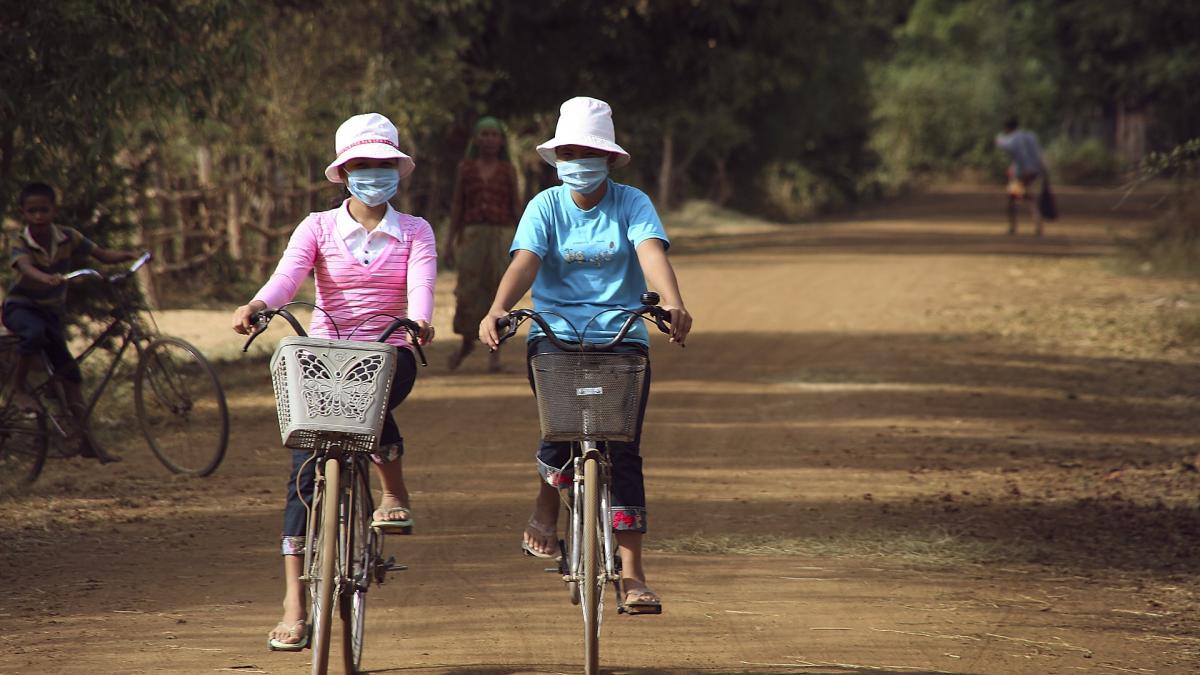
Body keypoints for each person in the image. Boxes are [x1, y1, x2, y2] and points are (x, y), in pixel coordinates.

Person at [230, 113, 436, 651]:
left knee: (375, 398)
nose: (373, 174)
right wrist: (258, 304)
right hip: (322, 355)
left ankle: (392, 490)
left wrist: (418, 320)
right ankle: (294, 604)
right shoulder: (317, 227)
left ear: (398, 171)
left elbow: (421, 288)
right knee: (303, 469)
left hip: (390, 349)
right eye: (362, 165)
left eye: (383, 165)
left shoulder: (416, 230)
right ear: (344, 173)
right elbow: (287, 277)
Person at [478, 96, 692, 614]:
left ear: (611, 158)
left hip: (622, 336)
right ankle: (547, 501)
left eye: (589, 151)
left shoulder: (632, 203)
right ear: (556, 158)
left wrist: (673, 301)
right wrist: (499, 308)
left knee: (623, 450)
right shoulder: (545, 206)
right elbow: (526, 262)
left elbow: (650, 253)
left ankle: (634, 574)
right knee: (560, 431)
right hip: (552, 334)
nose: (579, 160)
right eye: (569, 151)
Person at [2, 182, 141, 463]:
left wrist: (129, 256)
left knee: (70, 375)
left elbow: (100, 254)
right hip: (21, 308)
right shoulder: (20, 242)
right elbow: (25, 268)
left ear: (54, 210)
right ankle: (17, 387)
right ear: (24, 213)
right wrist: (45, 278)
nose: (39, 216)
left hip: (51, 313)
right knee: (34, 333)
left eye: (44, 210)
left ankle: (87, 441)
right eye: (32, 211)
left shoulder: (68, 236)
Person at [445, 116, 522, 372]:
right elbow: (457, 205)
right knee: (469, 292)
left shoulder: (508, 170)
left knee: (497, 292)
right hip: (472, 238)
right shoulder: (465, 168)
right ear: (476, 139)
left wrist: (524, 244)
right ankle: (467, 343)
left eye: (494, 134)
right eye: (484, 134)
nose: (489, 139)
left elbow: (516, 207)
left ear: (501, 141)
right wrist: (449, 242)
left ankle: (494, 354)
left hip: (502, 237)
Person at [995, 116, 1048, 236]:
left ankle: (1013, 227)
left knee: (1014, 198)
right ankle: (1037, 225)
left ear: (1007, 128)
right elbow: (1039, 154)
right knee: (1029, 197)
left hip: (1022, 173)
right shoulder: (1031, 135)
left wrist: (998, 138)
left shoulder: (1013, 139)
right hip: (1035, 172)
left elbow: (1003, 144)